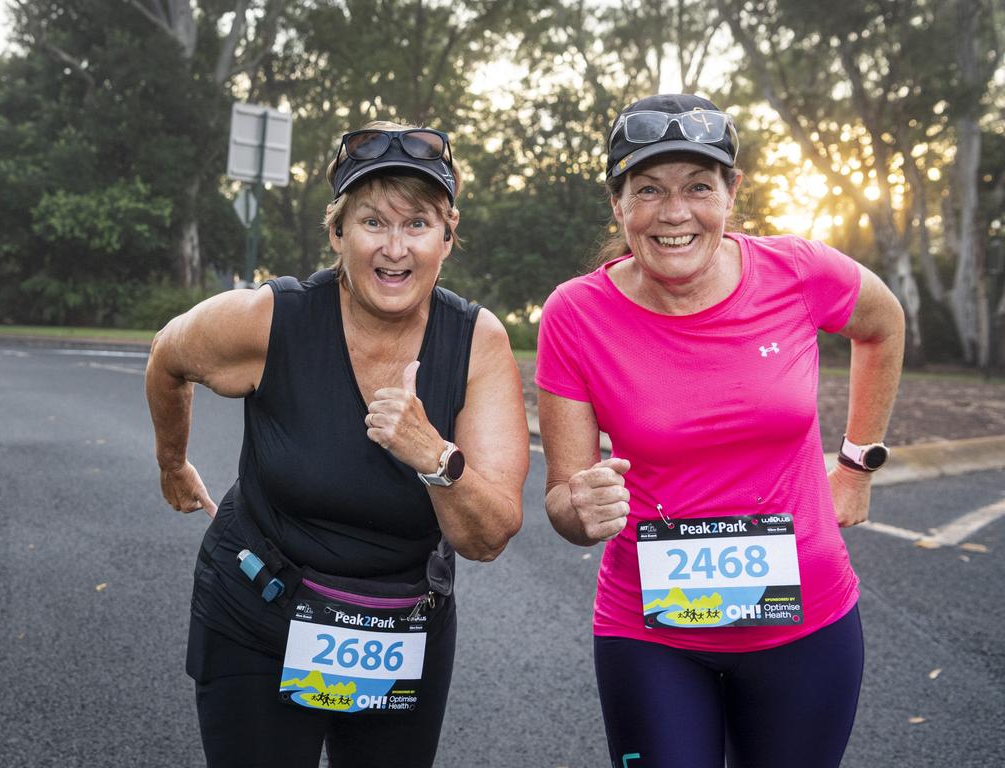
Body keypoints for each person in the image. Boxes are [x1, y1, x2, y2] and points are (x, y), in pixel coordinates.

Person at [536, 94, 905, 768]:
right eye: (648, 189)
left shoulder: (799, 273)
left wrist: (856, 466)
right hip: (653, 633)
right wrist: (578, 509)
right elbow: (563, 500)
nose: (675, 213)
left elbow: (883, 325)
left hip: (808, 624)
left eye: (698, 187)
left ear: (731, 193)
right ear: (618, 204)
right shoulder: (575, 313)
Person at [145, 120, 529, 768]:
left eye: (418, 224)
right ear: (337, 233)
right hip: (258, 610)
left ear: (448, 237)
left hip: (401, 627)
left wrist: (432, 455)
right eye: (373, 222)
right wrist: (172, 462)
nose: (395, 247)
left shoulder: (476, 343)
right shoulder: (270, 320)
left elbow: (487, 537)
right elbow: (168, 355)